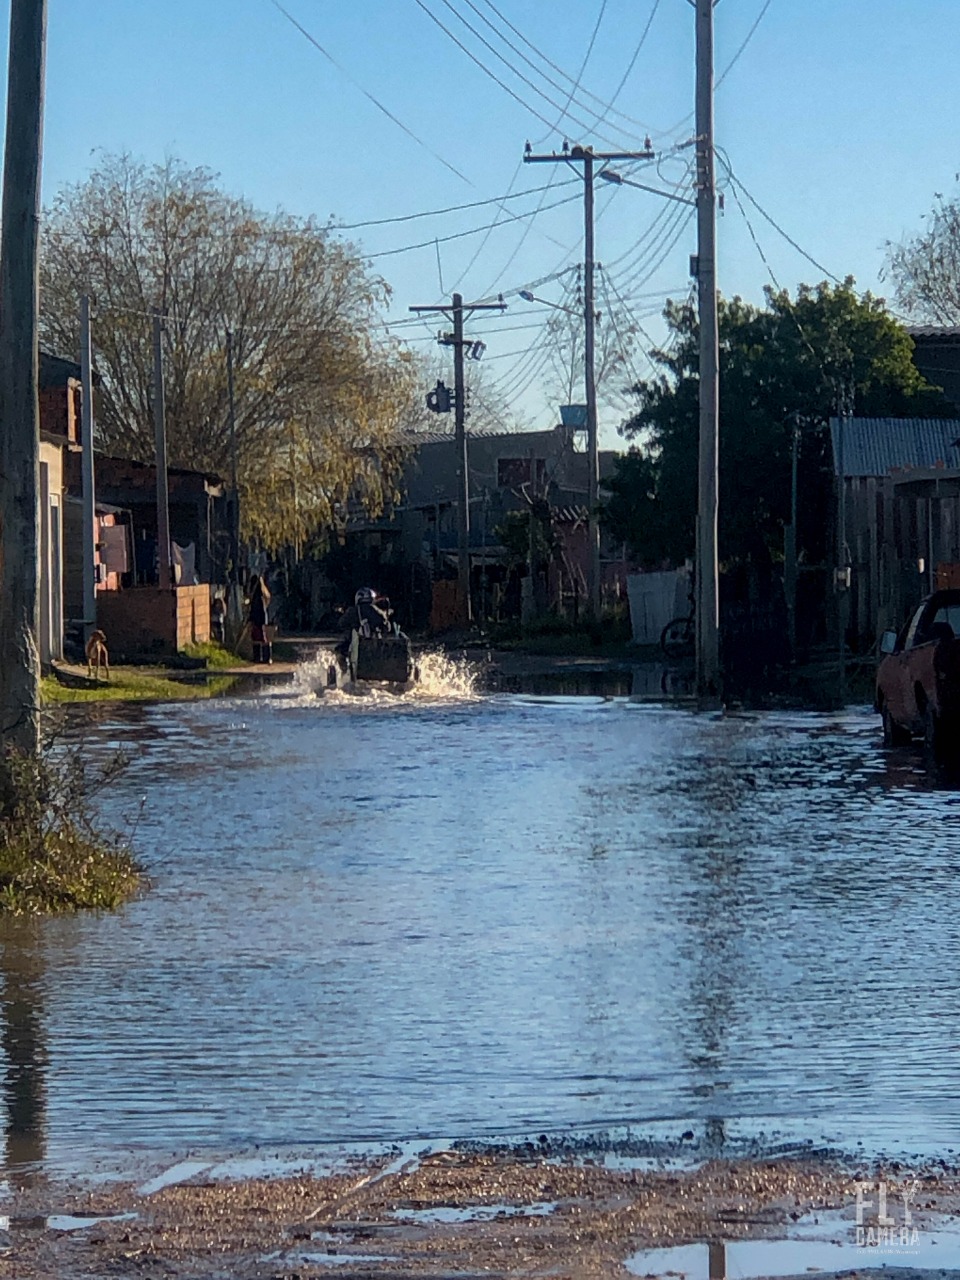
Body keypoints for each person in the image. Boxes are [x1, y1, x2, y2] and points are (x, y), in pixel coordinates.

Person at [247, 573, 272, 663]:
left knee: (260, 637)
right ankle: (258, 657)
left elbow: (256, 609)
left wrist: (252, 618)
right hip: (259, 618)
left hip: (258, 619)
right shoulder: (258, 596)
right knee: (256, 637)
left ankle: (265, 657)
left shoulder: (258, 597)